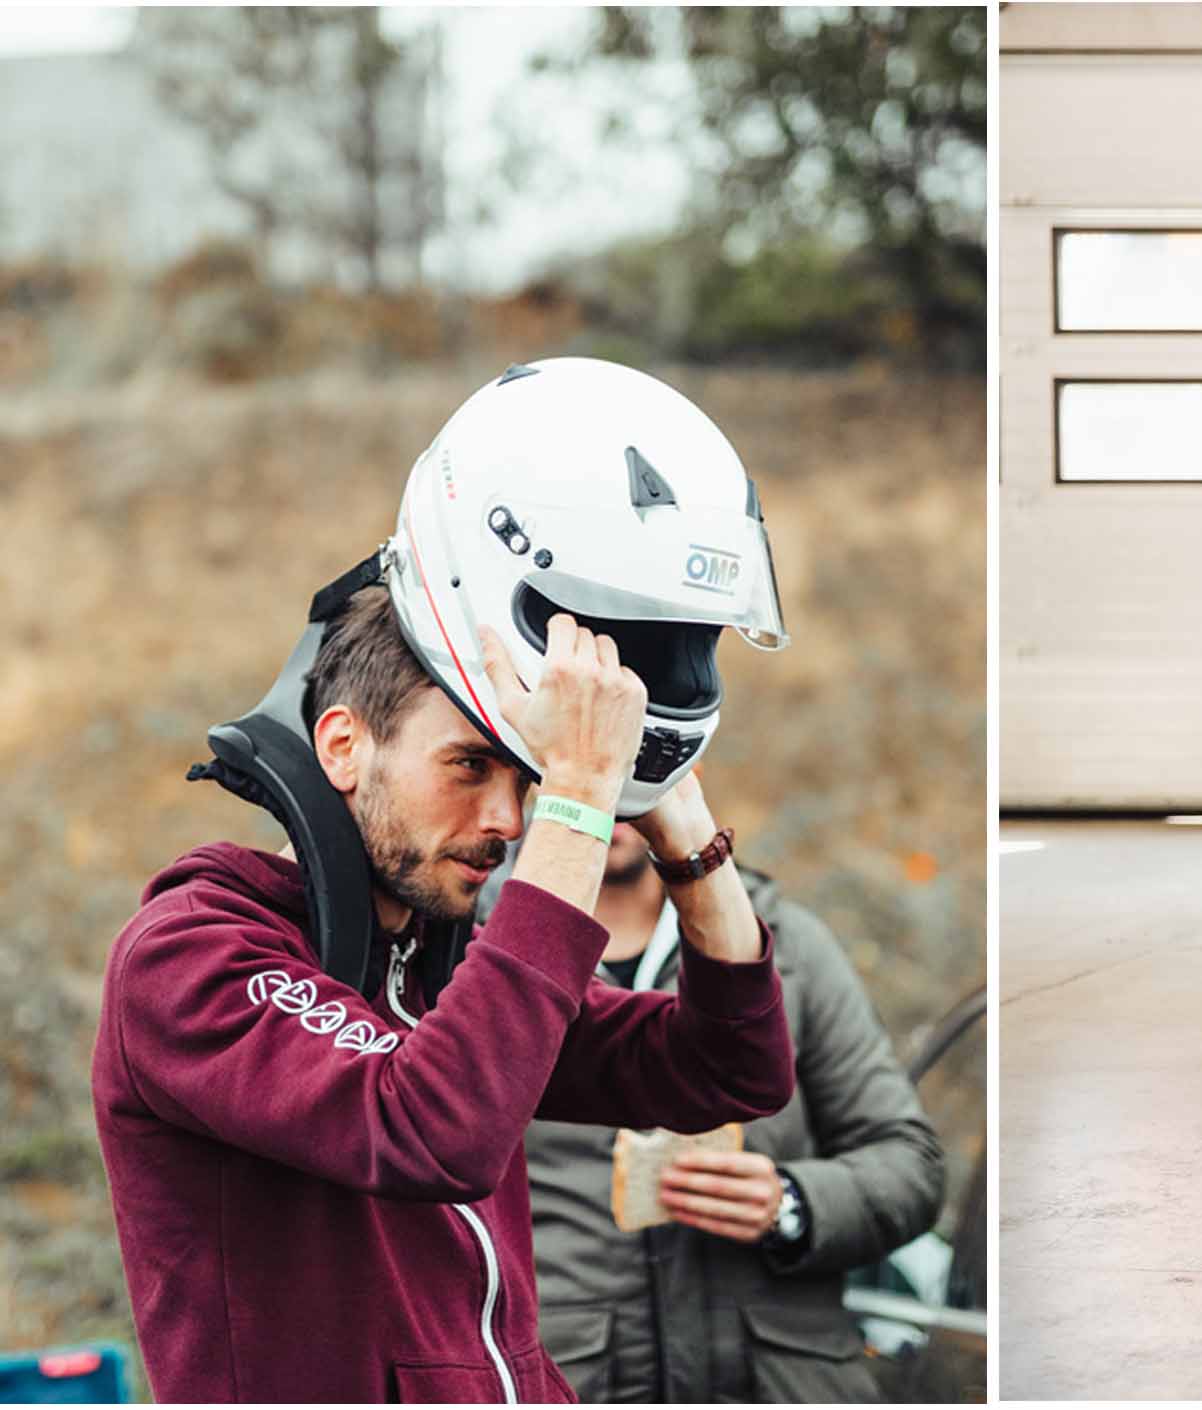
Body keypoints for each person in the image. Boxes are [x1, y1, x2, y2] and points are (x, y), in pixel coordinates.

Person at [92, 357, 800, 1403]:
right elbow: (435, 1129)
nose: (510, 822)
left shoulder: (435, 966)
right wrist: (575, 796)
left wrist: (679, 823)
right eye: (469, 767)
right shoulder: (190, 957)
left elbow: (727, 1071)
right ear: (344, 746)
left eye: (527, 779)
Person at [501, 823, 945, 1402]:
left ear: (689, 775)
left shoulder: (786, 947)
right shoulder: (479, 956)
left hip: (782, 1381)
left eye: (640, 769)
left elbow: (911, 1164)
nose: (614, 799)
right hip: (571, 1378)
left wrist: (794, 1203)